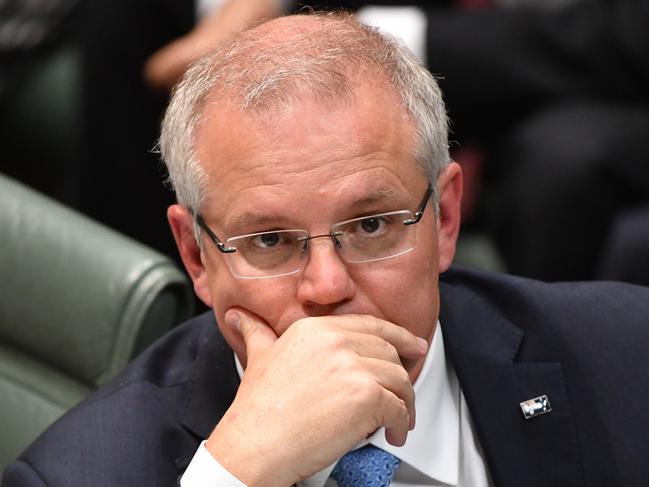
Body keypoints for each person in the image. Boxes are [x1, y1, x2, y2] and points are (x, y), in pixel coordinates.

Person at [4, 12, 649, 487]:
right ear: (198, 257)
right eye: (269, 241)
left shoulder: (627, 352)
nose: (325, 285)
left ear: (445, 219)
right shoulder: (75, 473)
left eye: (372, 226)